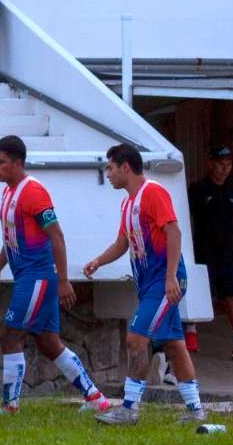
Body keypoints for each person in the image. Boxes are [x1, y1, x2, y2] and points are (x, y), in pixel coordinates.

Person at [0, 136, 110, 415]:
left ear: (18, 163)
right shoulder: (8, 192)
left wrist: (63, 280)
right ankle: (96, 399)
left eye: (1, 162)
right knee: (49, 342)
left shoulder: (33, 192)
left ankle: (10, 407)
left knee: (10, 336)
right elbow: (12, 237)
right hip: (28, 276)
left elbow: (57, 236)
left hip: (37, 277)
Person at [85, 144, 206, 425]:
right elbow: (121, 243)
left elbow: (173, 231)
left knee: (136, 339)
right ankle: (196, 412)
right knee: (175, 345)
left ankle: (129, 410)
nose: (108, 173)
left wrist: (170, 277)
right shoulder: (128, 204)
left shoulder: (154, 192)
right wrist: (98, 261)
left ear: (125, 167)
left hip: (163, 281)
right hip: (153, 283)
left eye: (110, 167)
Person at [186, 145, 233, 358]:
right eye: (221, 165)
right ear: (210, 164)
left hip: (228, 253)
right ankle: (191, 334)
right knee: (199, 292)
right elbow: (186, 217)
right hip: (203, 251)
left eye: (228, 165)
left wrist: (231, 242)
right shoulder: (198, 189)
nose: (224, 169)